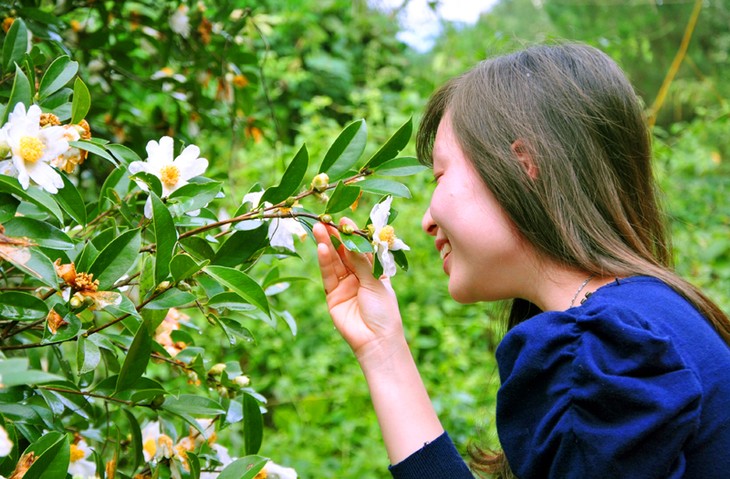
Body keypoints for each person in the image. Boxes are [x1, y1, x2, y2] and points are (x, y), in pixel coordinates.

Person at [312, 42, 730, 479]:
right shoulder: (651, 317)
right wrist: (383, 350)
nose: (426, 220)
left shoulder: (602, 351)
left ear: (524, 164)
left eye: (441, 175)